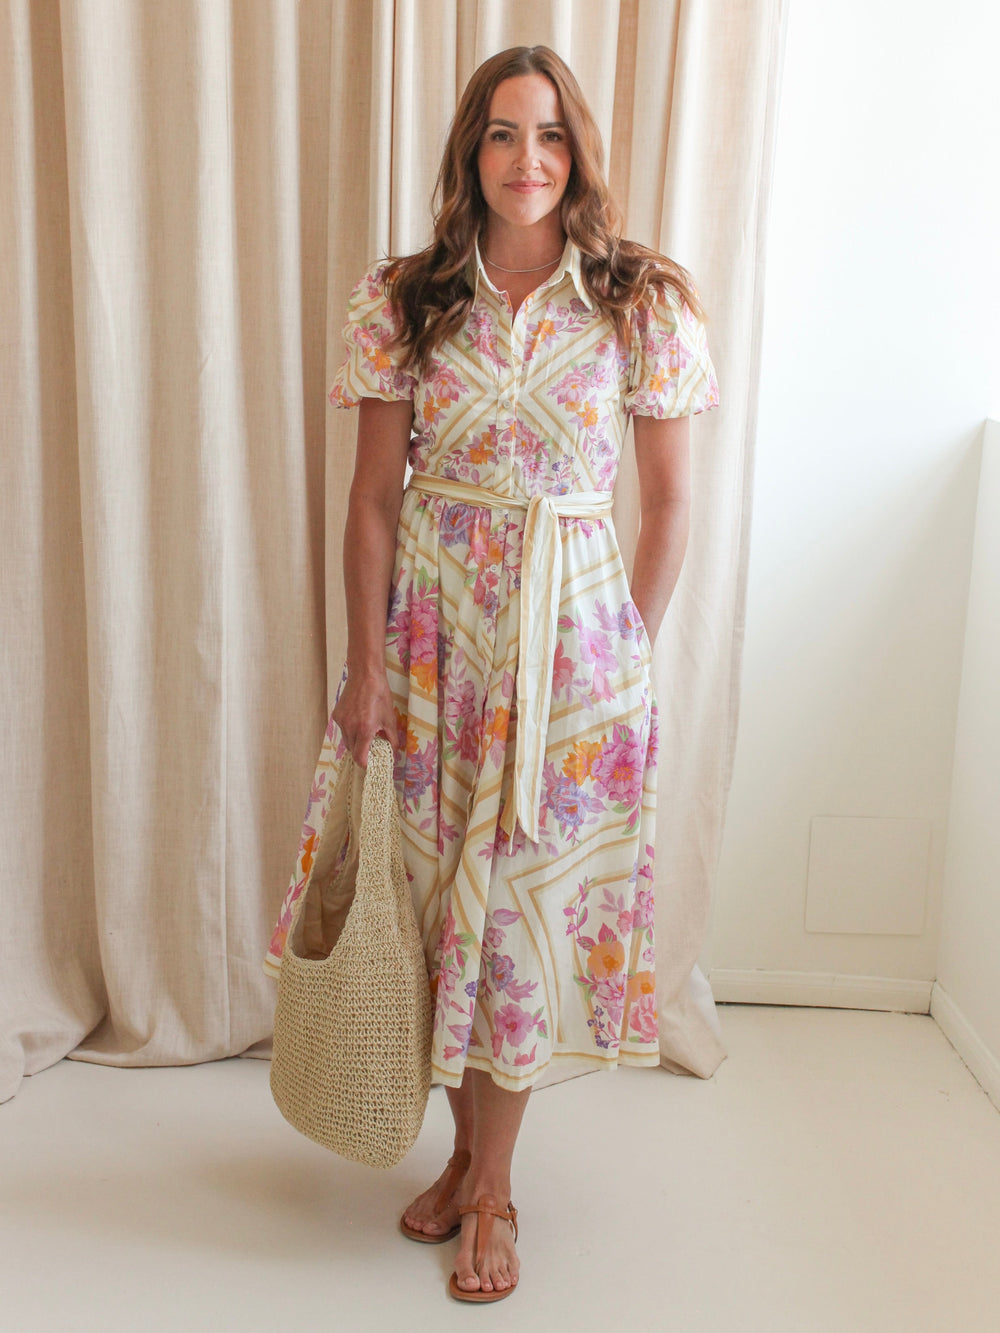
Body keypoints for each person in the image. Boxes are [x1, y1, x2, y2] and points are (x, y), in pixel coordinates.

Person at [265, 44, 717, 1303]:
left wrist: (619, 655)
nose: (530, 159)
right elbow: (371, 501)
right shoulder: (407, 297)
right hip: (428, 652)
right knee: (431, 912)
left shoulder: (637, 301)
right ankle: (464, 1153)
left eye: (552, 135)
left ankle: (494, 1188)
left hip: (570, 666)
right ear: (472, 151)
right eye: (506, 134)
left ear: (579, 155)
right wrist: (364, 671)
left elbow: (671, 503)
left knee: (513, 922)